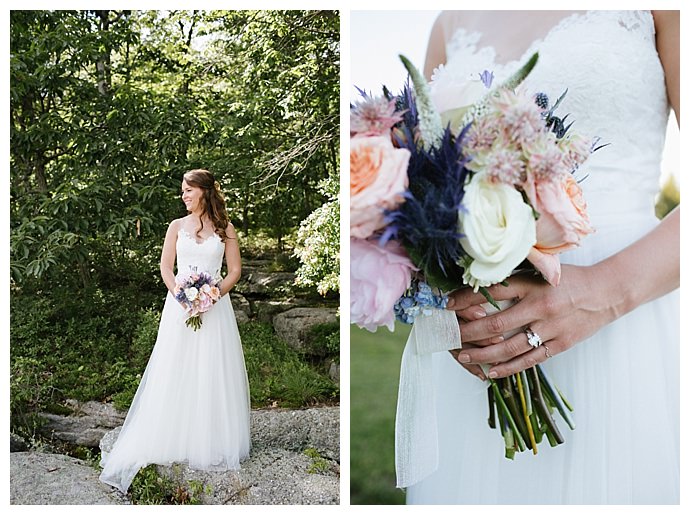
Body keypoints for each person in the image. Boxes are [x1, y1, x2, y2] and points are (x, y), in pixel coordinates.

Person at [404, 10, 679, 504]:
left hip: (630, 314)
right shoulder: (449, 22)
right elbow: (424, 179)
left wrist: (603, 292)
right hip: (487, 330)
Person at [99, 169, 251, 493]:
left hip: (215, 310)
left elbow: (235, 270)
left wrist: (212, 295)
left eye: (188, 190)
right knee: (175, 367)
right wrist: (181, 296)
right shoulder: (175, 227)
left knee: (210, 370)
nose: (183, 196)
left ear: (204, 192)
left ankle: (208, 439)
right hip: (178, 308)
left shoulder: (226, 228)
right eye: (182, 191)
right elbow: (166, 267)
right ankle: (170, 434)